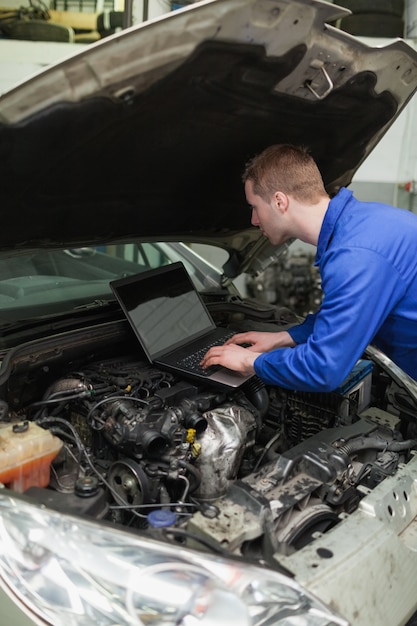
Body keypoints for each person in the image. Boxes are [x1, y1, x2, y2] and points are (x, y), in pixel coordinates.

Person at [200, 143, 417, 391]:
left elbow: (323, 370)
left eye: (254, 207)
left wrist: (250, 361)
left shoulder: (355, 256)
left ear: (279, 201)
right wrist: (285, 337)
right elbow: (345, 315)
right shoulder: (362, 224)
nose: (254, 220)